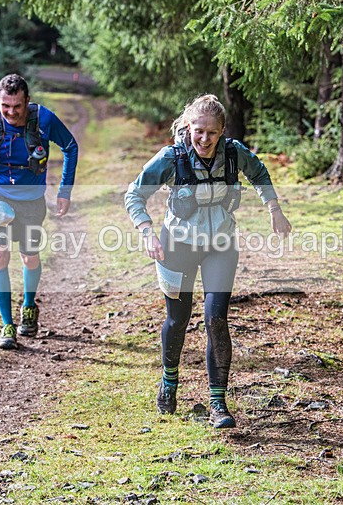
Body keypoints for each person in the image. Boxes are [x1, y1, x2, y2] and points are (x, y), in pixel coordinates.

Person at [124, 94, 291, 428]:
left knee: (216, 318)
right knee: (178, 319)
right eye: (198, 131)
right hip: (177, 246)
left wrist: (275, 209)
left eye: (211, 133)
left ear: (222, 131)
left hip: (221, 244)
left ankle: (218, 403)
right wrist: (146, 232)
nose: (204, 139)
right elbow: (134, 194)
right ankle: (169, 382)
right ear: (189, 127)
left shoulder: (233, 152)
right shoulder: (171, 158)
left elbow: (258, 173)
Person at [0, 74, 78, 350]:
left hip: (31, 199)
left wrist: (64, 191)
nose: (11, 113)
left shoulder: (44, 119)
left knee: (29, 257)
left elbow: (71, 147)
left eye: (17, 106)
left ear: (27, 100)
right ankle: (7, 324)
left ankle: (28, 305)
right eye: (6, 106)